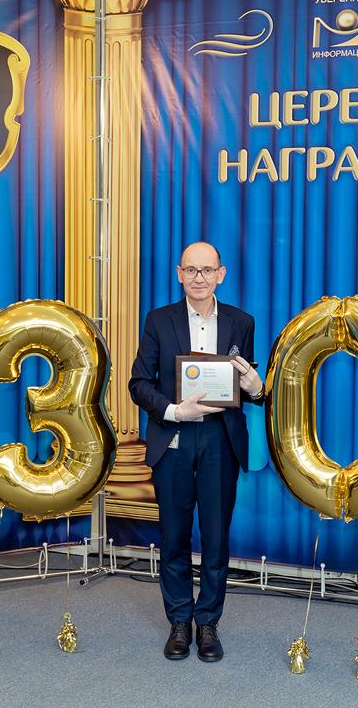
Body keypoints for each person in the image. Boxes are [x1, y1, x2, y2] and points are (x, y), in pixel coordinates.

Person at [129, 242, 264, 662]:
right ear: (179, 274)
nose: (199, 278)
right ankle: (178, 623)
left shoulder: (242, 322)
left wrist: (257, 388)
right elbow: (138, 383)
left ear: (221, 274)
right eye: (191, 270)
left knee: (216, 537)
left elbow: (248, 387)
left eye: (207, 270)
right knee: (174, 535)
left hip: (220, 440)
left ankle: (207, 623)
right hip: (174, 437)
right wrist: (174, 410)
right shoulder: (158, 320)